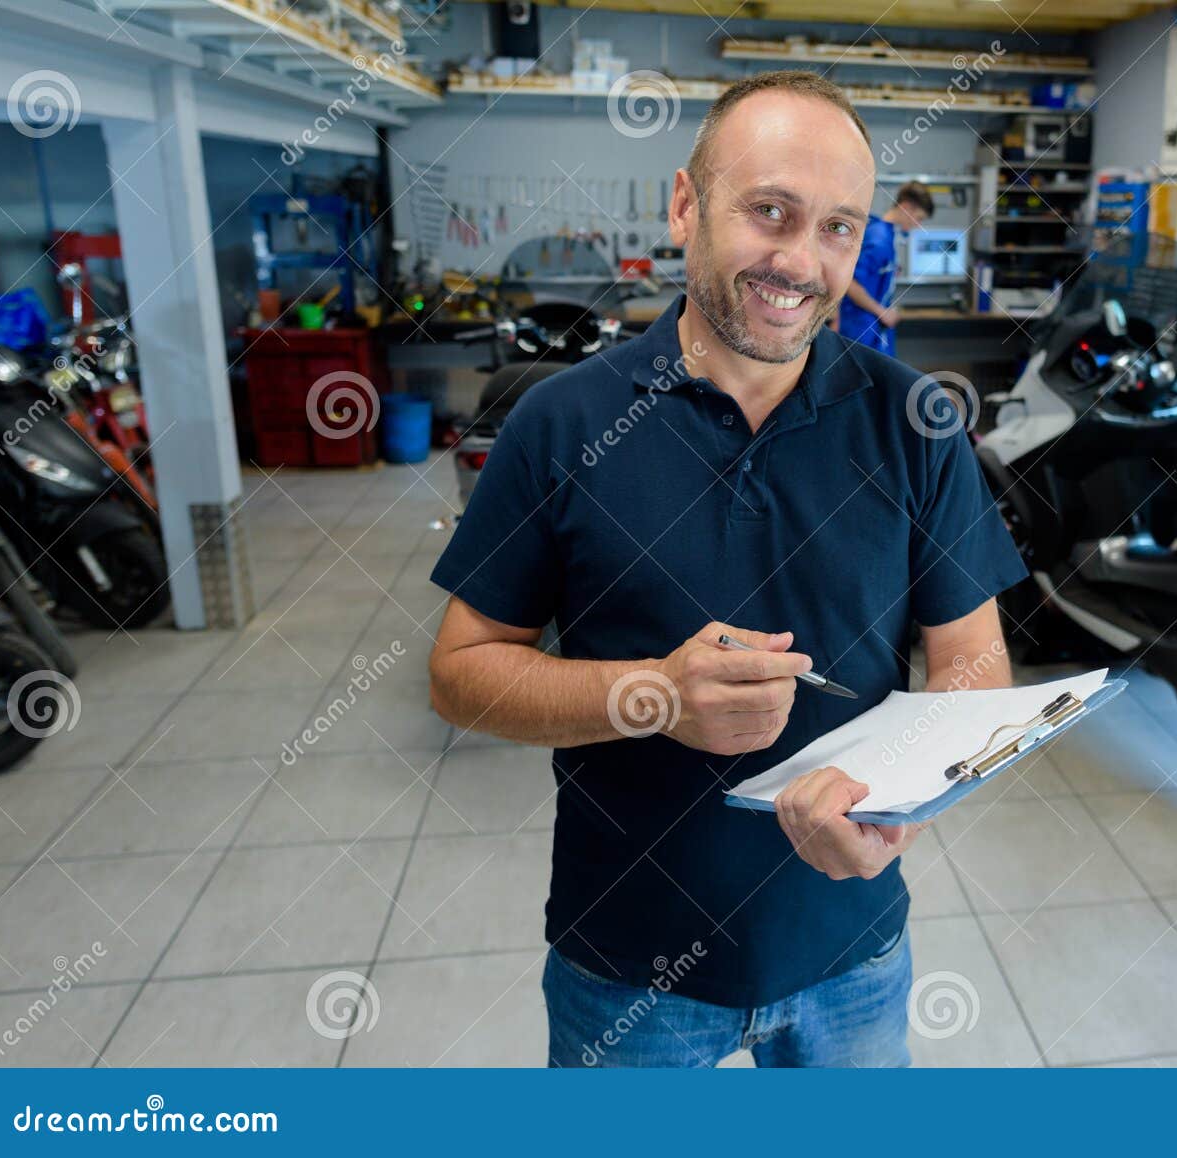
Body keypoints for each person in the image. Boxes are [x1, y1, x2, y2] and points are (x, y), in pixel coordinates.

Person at [426, 70, 1027, 1068]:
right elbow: (460, 672)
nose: (802, 261)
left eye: (838, 227)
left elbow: (974, 665)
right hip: (628, 966)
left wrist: (899, 797)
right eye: (770, 213)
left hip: (850, 950)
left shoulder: (914, 423)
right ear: (684, 205)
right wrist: (650, 695)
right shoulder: (560, 422)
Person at [834, 181, 935, 356]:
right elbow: (850, 283)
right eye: (918, 218)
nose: (918, 225)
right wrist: (882, 312)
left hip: (869, 325)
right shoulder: (879, 240)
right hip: (861, 328)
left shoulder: (883, 232)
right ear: (906, 207)